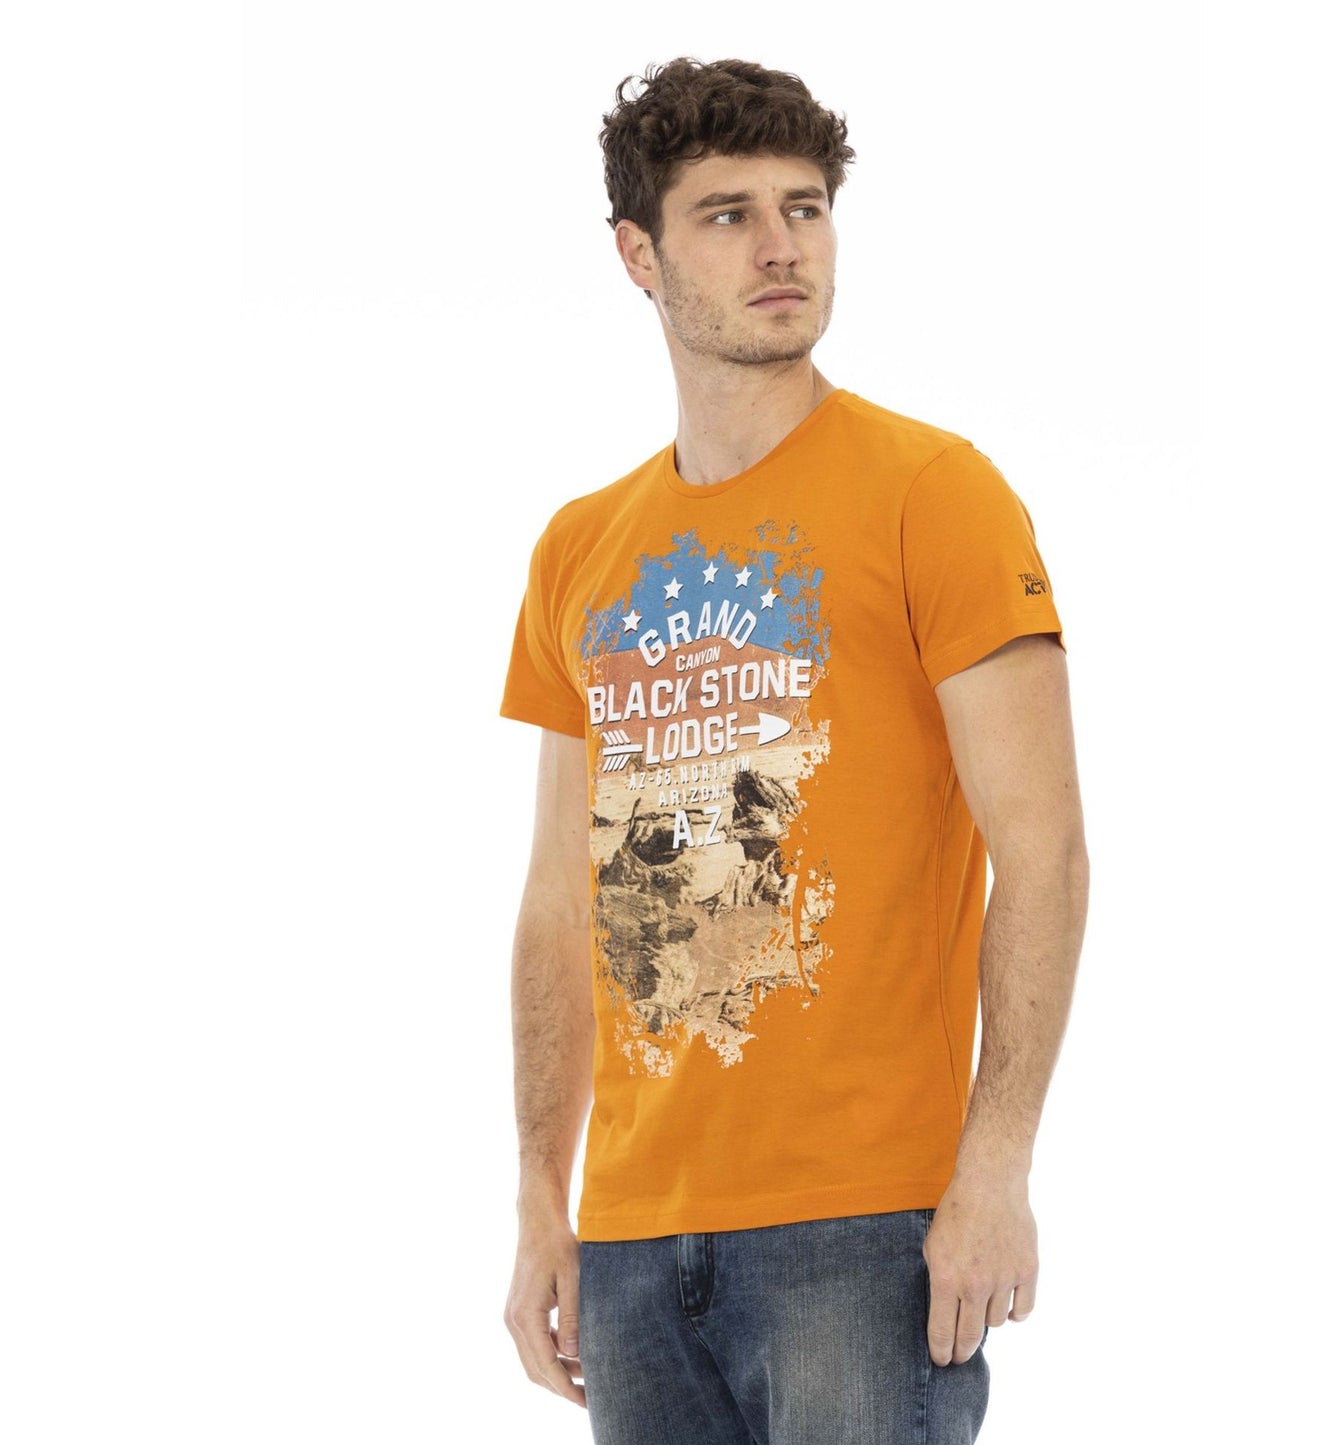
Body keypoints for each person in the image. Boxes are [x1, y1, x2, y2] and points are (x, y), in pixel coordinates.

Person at [499, 57, 1088, 1445]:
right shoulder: (581, 549)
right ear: (638, 255)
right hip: (632, 1238)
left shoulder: (933, 492)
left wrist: (997, 1160)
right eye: (728, 215)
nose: (781, 247)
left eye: (804, 208)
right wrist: (541, 1196)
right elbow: (560, 899)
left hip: (862, 1224)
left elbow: (1044, 848)